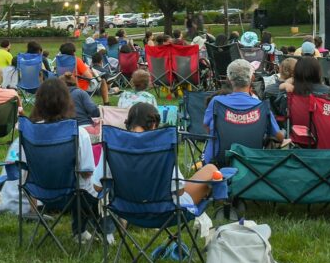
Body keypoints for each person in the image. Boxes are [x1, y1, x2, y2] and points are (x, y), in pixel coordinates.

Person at [95, 102, 219, 216]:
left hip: (125, 208)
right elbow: (179, 191)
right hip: (166, 210)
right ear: (154, 124)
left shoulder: (113, 145)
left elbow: (97, 187)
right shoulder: (162, 145)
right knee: (211, 169)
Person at [27, 78, 99, 242]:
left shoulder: (31, 131)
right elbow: (87, 172)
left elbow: (25, 166)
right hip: (72, 196)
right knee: (96, 183)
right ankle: (88, 230)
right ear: (67, 101)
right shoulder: (78, 133)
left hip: (39, 192)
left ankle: (82, 230)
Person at [203, 59, 285, 163]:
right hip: (251, 163)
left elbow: (207, 127)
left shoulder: (216, 102)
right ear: (253, 78)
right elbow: (278, 136)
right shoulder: (261, 106)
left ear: (228, 79)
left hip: (217, 162)